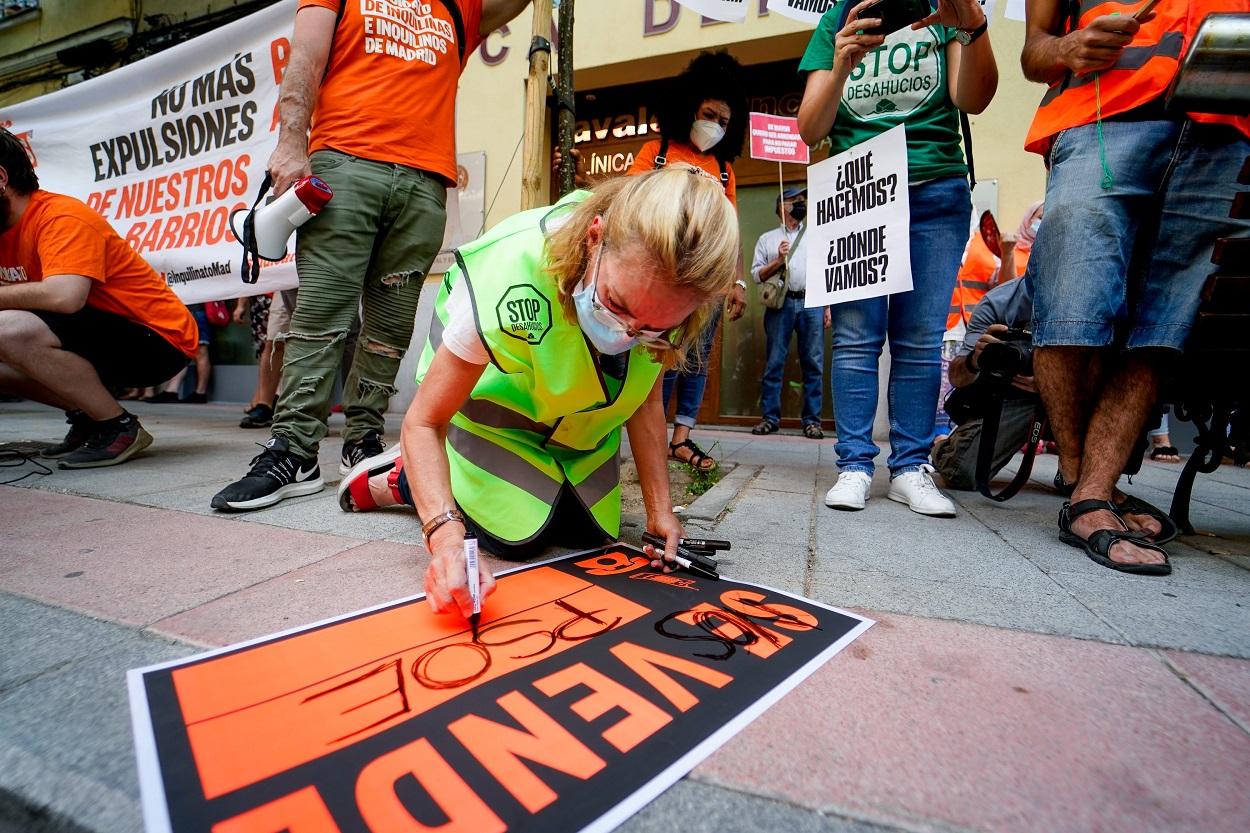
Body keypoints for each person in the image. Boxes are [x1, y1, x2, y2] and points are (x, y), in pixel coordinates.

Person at [338, 170, 740, 617]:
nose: (628, 334)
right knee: (514, 541)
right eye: (618, 304)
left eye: (653, 329)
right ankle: (404, 477)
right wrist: (445, 537)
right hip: (485, 409)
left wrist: (660, 510)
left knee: (588, 537)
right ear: (594, 237)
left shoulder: (677, 301)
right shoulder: (510, 271)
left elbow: (644, 393)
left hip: (575, 430)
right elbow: (424, 420)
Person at [212, 0, 531, 512]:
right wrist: (291, 143)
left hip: (426, 181)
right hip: (344, 161)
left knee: (390, 326)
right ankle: (294, 450)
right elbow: (304, 59)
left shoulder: (461, 6)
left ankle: (362, 440)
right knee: (321, 312)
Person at [1021, 0, 1250, 575]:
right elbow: (1035, 48)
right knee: (1070, 303)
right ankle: (1082, 480)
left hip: (1226, 129)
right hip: (1106, 115)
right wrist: (1067, 48)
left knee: (1163, 320)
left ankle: (1091, 493)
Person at [798, 0, 998, 516]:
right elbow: (809, 128)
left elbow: (973, 99)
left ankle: (911, 466)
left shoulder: (945, 9)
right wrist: (841, 63)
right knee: (855, 336)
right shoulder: (836, 18)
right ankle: (854, 466)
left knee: (920, 337)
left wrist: (972, 25)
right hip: (858, 188)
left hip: (935, 188)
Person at [0, 128, 196, 467]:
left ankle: (117, 427)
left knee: (5, 329)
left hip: (159, 341)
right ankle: (89, 415)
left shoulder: (60, 216)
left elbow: (65, 298)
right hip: (94, 335)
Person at [626, 50, 748, 472]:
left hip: (706, 285)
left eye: (724, 121)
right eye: (709, 113)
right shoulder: (655, 153)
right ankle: (652, 435)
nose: (714, 125)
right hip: (659, 281)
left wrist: (737, 282)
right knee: (661, 357)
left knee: (697, 359)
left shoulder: (725, 170)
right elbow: (625, 206)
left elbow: (730, 232)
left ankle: (683, 437)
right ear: (689, 107)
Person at [932, 277, 1038, 489]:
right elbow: (957, 378)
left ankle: (1076, 472)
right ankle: (942, 446)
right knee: (961, 471)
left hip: (1082, 394)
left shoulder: (1101, 294)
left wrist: (1056, 381)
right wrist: (974, 359)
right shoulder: (1000, 302)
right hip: (1019, 395)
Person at [750, 188, 828, 439]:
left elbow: (827, 271)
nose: (799, 204)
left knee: (813, 363)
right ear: (781, 207)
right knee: (774, 362)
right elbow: (756, 275)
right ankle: (770, 418)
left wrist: (828, 307)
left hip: (811, 302)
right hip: (780, 305)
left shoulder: (816, 234)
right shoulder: (767, 239)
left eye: (801, 200)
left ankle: (812, 421)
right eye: (793, 200)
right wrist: (778, 259)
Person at [936, 210, 1003, 440]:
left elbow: (999, 282)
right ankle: (936, 434)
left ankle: (957, 435)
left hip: (974, 330)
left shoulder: (984, 244)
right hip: (944, 327)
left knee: (965, 385)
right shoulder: (938, 237)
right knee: (940, 387)